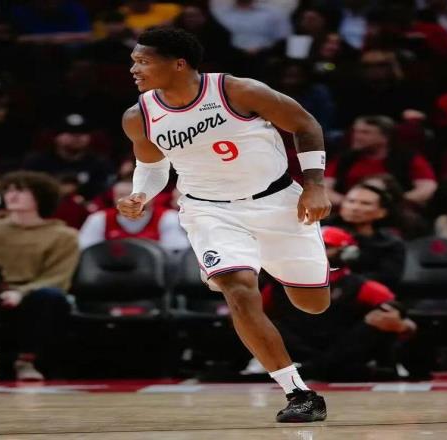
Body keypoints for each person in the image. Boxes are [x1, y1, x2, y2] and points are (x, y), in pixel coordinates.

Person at [117, 27, 330, 423]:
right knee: (239, 290)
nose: (134, 69)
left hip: (277, 202)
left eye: (143, 61)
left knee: (313, 304)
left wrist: (315, 186)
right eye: (134, 61)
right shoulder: (139, 115)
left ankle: (273, 262)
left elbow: (305, 125)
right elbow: (152, 166)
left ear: (178, 64)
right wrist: (140, 194)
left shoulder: (238, 91)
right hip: (209, 211)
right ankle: (298, 392)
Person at [245, 226, 416, 382]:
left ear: (348, 253)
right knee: (251, 318)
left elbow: (403, 320)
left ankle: (313, 369)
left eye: (325, 246)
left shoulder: (362, 285)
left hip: (344, 346)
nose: (314, 251)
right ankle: (322, 368)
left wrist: (400, 325)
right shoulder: (278, 284)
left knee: (382, 317)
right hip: (299, 345)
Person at [0, 171, 79, 381]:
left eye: (21, 190)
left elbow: (58, 277)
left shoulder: (65, 236)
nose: (12, 195)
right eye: (9, 190)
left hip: (34, 293)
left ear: (41, 196)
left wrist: (20, 293)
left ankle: (27, 361)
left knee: (51, 295)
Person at [324, 115, 437, 207]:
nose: (357, 137)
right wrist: (354, 203)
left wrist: (390, 204)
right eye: (356, 132)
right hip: (348, 210)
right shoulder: (344, 159)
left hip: (397, 213)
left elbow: (427, 188)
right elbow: (323, 187)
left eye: (365, 132)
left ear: (385, 137)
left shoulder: (408, 158)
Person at [323, 183, 406, 290]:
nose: (355, 208)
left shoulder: (391, 244)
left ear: (382, 212)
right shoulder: (318, 231)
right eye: (351, 201)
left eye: (365, 203)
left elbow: (388, 279)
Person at [79, 179, 189, 252]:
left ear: (152, 197)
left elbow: (176, 252)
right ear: (113, 198)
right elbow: (87, 252)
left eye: (136, 195)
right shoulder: (98, 218)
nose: (129, 200)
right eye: (122, 195)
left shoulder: (168, 217)